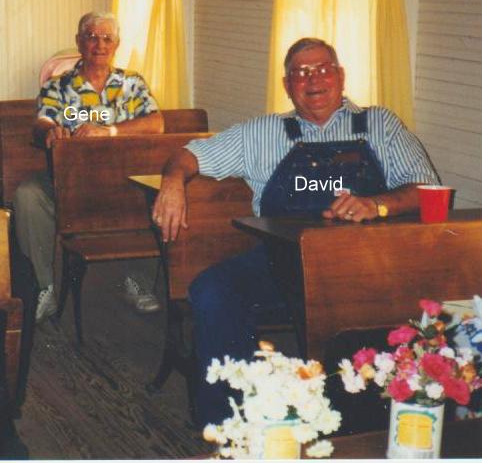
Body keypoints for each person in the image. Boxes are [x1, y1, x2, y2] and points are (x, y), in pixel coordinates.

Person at [151, 37, 439, 427]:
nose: (313, 79)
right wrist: (171, 181)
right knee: (211, 290)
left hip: (361, 267)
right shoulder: (262, 132)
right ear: (287, 85)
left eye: (323, 69)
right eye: (301, 73)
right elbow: (190, 154)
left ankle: (360, 424)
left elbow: (426, 188)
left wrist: (378, 204)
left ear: (340, 76)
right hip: (280, 263)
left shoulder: (379, 124)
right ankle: (233, 424)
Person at [14, 11, 165, 323]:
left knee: (154, 192)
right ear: (79, 42)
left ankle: (136, 280)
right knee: (28, 195)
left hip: (124, 179)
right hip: (71, 181)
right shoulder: (58, 87)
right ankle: (44, 287)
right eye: (92, 36)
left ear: (117, 45)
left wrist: (110, 131)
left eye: (107, 38)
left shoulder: (131, 83)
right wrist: (49, 131)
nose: (99, 44)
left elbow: (156, 122)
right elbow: (41, 121)